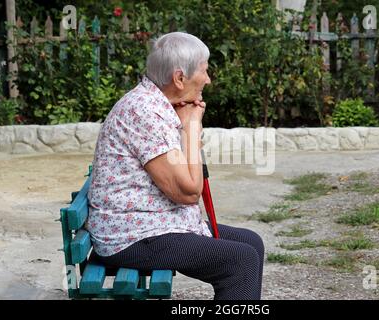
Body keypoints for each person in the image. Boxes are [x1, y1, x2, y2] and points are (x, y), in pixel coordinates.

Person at [86, 32, 264, 300]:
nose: (208, 79)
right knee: (240, 261)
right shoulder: (145, 112)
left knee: (251, 243)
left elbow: (185, 179)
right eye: (204, 71)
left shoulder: (156, 104)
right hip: (130, 235)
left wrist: (186, 127)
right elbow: (188, 192)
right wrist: (191, 128)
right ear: (179, 78)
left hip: (153, 220)